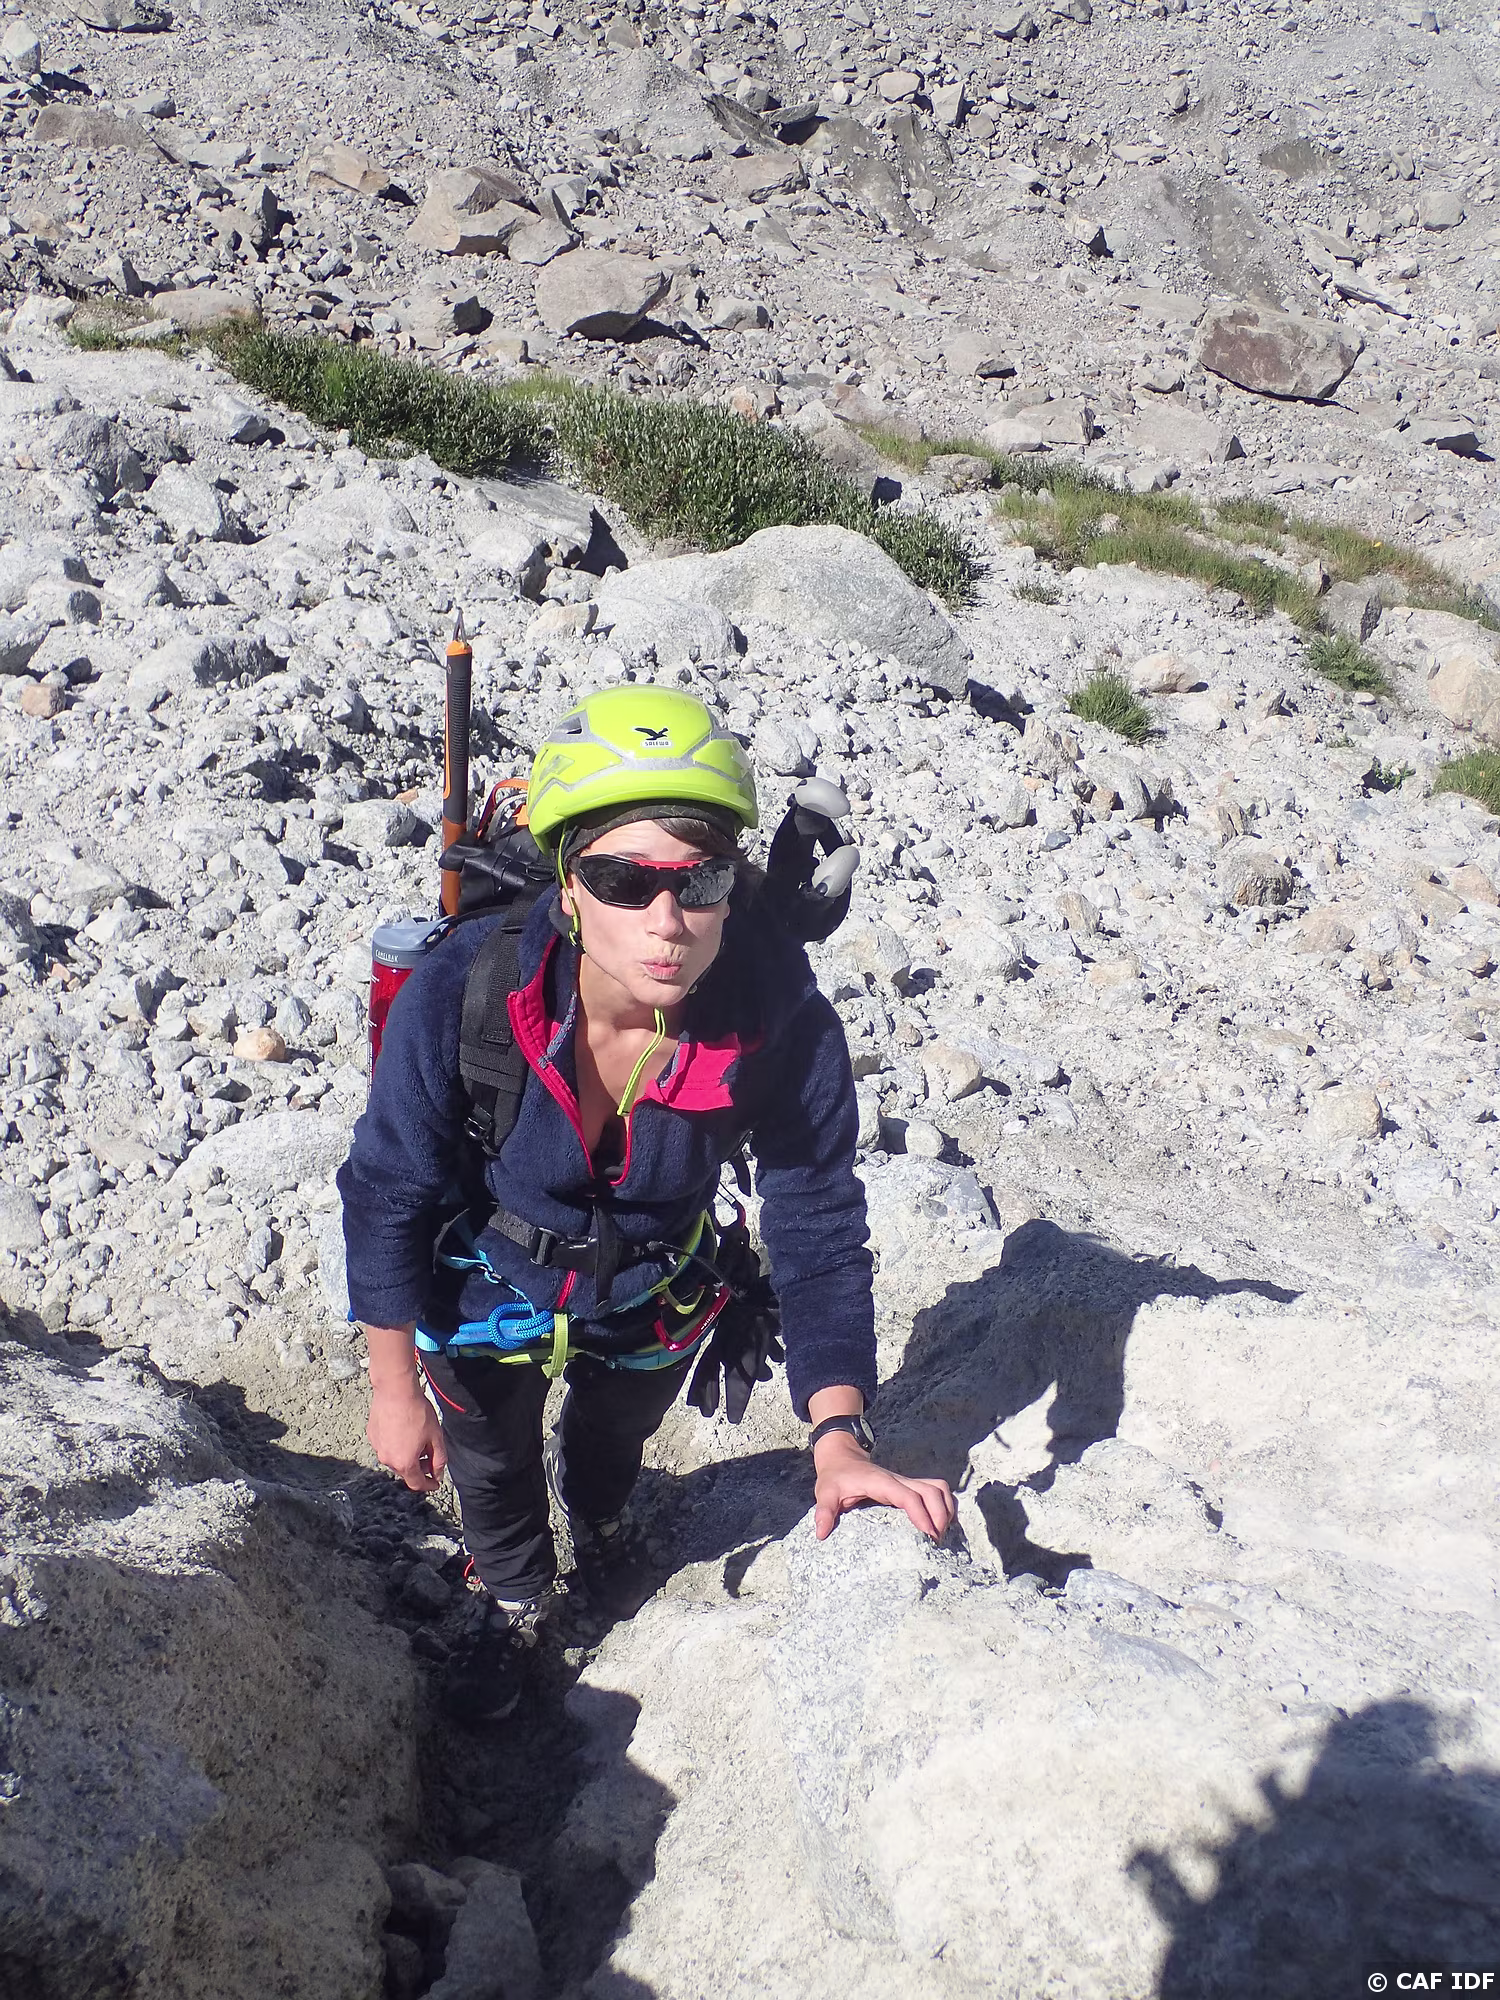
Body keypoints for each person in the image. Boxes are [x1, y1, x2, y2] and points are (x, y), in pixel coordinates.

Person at [338, 685, 955, 1723]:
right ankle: (518, 1593)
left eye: (699, 879)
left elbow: (815, 1217)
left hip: (658, 1285)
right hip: (484, 1279)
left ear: (731, 885)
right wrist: (393, 1385)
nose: (666, 922)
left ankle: (601, 1520)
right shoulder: (465, 991)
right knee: (490, 1464)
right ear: (569, 885)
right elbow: (388, 1185)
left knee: (612, 1441)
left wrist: (840, 1436)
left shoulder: (779, 1020)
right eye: (623, 880)